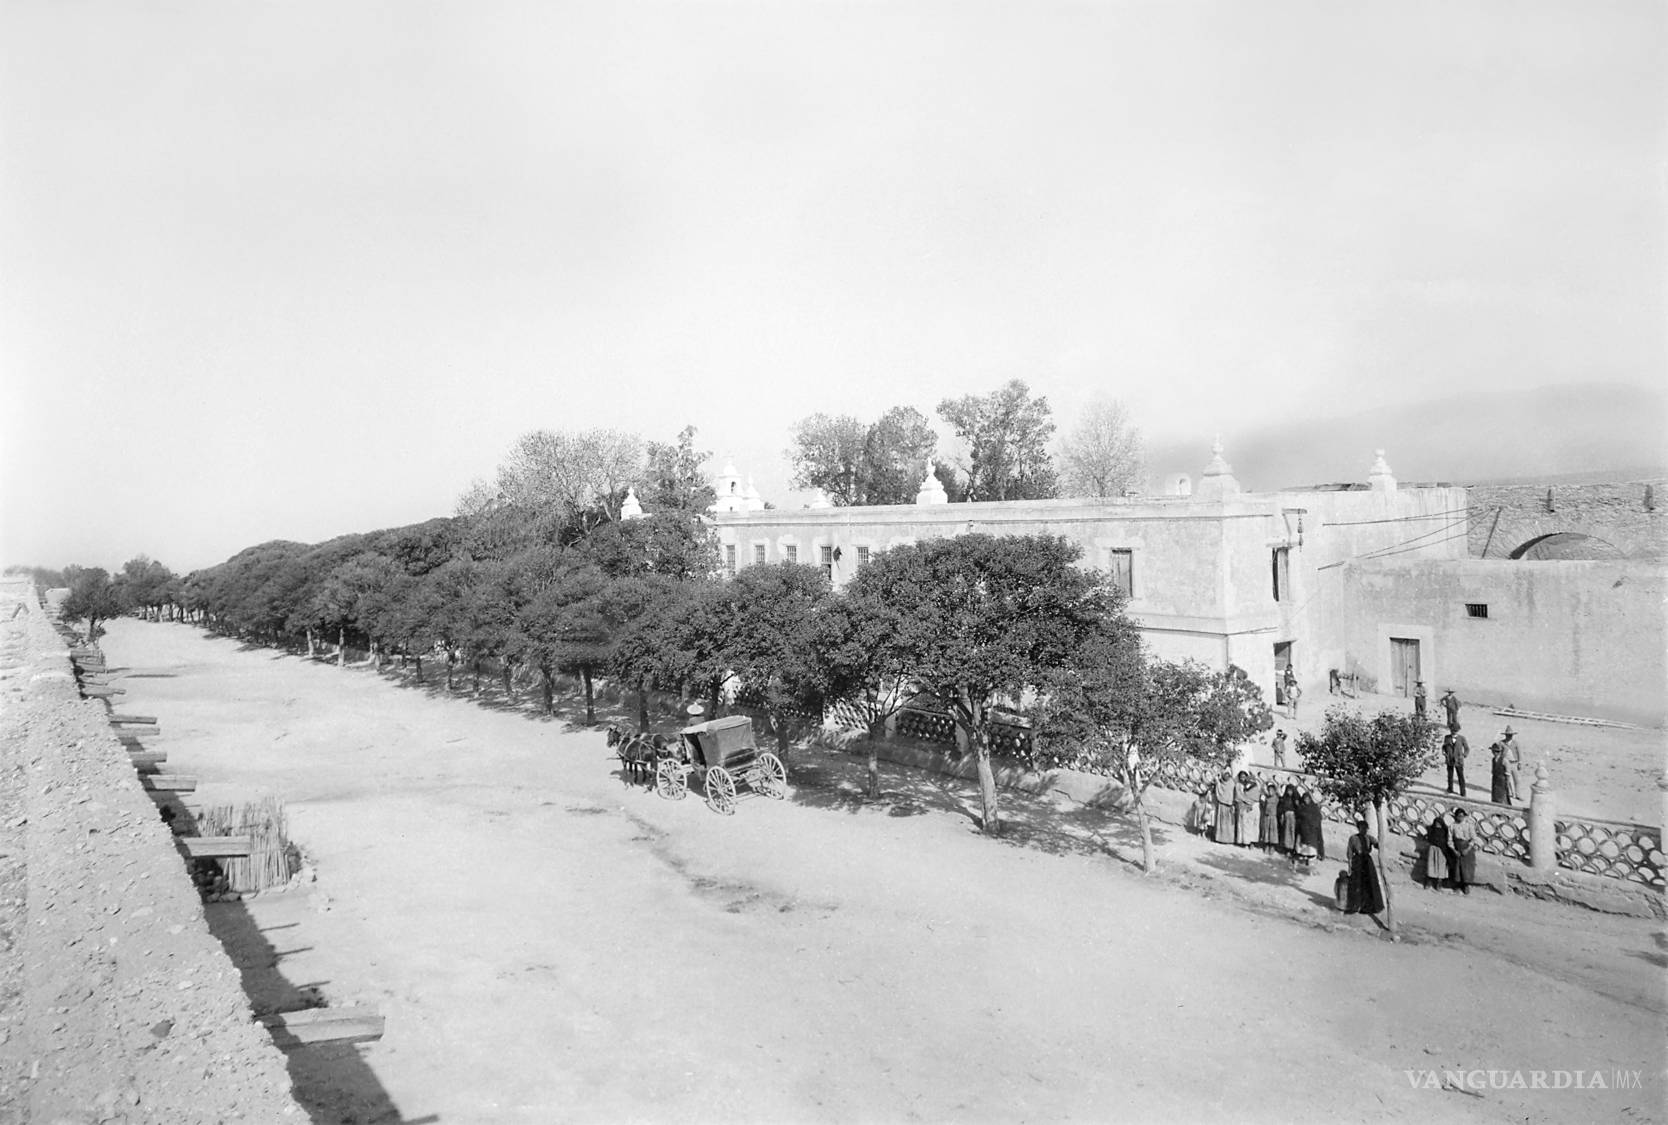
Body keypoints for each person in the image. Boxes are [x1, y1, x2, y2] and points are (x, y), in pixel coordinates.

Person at [1343, 819, 1386, 915]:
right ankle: (1354, 906)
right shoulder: (1353, 838)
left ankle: (1368, 907)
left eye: (1366, 829)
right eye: (1362, 828)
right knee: (1357, 884)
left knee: (1369, 884)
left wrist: (1379, 842)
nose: (1364, 830)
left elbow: (1378, 845)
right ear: (1358, 828)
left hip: (1367, 862)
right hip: (1357, 862)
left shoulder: (1369, 838)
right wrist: (1350, 866)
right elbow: (1349, 852)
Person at [1295, 789, 1326, 869]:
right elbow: (1298, 817)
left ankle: (1311, 860)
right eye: (1305, 799)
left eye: (1308, 799)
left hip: (1312, 831)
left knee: (1311, 850)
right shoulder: (1301, 807)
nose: (1306, 800)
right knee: (1302, 849)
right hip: (1303, 830)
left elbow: (1318, 818)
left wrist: (1312, 823)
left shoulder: (1314, 808)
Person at [1449, 807, 1478, 894]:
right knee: (1457, 867)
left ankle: (1466, 885)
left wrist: (1468, 849)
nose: (1460, 818)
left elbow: (1474, 839)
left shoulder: (1469, 825)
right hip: (1457, 847)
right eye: (1459, 816)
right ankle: (1457, 885)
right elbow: (1449, 840)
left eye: (1462, 816)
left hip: (1467, 847)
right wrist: (1454, 850)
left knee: (1467, 867)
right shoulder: (1452, 826)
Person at [1423, 811, 1451, 890]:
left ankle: (1439, 882)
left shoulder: (1445, 832)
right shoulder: (1432, 830)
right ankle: (1429, 881)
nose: (1437, 825)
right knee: (1431, 866)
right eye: (1436, 824)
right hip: (1433, 850)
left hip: (1442, 851)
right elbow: (1429, 838)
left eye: (1439, 824)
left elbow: (1447, 841)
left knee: (1441, 867)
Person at [1234, 771, 1260, 847]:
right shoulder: (1240, 785)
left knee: (1251, 825)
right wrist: (1247, 801)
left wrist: (1251, 802)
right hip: (1243, 805)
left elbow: (1256, 796)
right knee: (1243, 824)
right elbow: (1239, 796)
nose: (1243, 778)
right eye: (1241, 777)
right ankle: (1244, 842)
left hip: (1252, 806)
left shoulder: (1254, 786)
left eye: (1244, 776)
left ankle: (1251, 842)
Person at [1213, 770, 1237, 844]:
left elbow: (1234, 794)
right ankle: (1220, 838)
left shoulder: (1232, 783)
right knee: (1221, 822)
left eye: (1228, 775)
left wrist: (1233, 803)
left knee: (1229, 823)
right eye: (1225, 775)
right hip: (1222, 805)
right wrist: (1217, 781)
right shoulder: (1220, 784)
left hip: (1230, 805)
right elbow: (1219, 792)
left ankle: (1229, 839)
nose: (1226, 776)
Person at [1444, 728, 1470, 797]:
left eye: (1455, 731)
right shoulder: (1447, 738)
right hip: (1449, 759)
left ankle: (1463, 792)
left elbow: (1467, 748)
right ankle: (1450, 788)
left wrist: (1464, 755)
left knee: (1460, 776)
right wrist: (1444, 752)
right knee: (1450, 775)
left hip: (1458, 760)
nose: (1453, 732)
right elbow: (1444, 747)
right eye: (1452, 730)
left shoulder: (1462, 738)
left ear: (1457, 731)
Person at [1500, 726, 1522, 801]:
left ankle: (1517, 794)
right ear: (1505, 735)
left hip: (1514, 763)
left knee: (1517, 780)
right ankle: (1510, 793)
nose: (1510, 736)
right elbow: (1499, 752)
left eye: (1511, 735)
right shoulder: (1502, 743)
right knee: (1508, 779)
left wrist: (1520, 762)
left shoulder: (1515, 743)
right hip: (1506, 763)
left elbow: (1519, 753)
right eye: (1508, 735)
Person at [1259, 775, 1281, 850]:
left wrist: (1273, 781)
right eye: (1269, 790)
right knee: (1266, 831)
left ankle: (1272, 846)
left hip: (1273, 817)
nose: (1270, 791)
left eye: (1272, 790)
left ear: (1274, 791)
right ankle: (1267, 845)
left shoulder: (1276, 798)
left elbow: (1279, 789)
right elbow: (1263, 789)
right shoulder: (1266, 798)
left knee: (1273, 831)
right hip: (1267, 816)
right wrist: (1266, 782)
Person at [1278, 784, 1300, 855]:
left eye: (1291, 791)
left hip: (1293, 817)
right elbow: (1281, 807)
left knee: (1292, 831)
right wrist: (1281, 814)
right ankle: (1287, 848)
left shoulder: (1296, 798)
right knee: (1286, 832)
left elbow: (1299, 808)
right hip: (1286, 816)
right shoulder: (1284, 798)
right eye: (1288, 791)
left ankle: (1293, 848)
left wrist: (1297, 804)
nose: (1289, 792)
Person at [1490, 739, 1513, 806]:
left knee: (1503, 796)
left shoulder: (1504, 760)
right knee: (1495, 796)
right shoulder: (1493, 759)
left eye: (1496, 752)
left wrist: (1507, 783)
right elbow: (1493, 770)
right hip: (1495, 780)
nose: (1494, 753)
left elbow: (1508, 773)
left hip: (1502, 781)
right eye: (1493, 751)